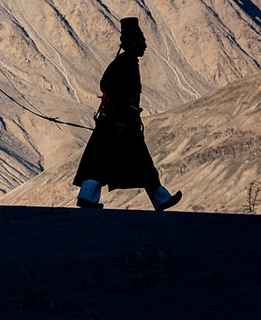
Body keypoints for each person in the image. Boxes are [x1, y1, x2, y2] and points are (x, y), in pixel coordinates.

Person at [72, 16, 181, 211]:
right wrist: (122, 115)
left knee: (99, 162)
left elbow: (106, 85)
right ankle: (160, 199)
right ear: (132, 42)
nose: (145, 45)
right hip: (120, 124)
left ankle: (87, 197)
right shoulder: (125, 64)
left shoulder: (123, 62)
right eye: (141, 41)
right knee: (139, 163)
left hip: (114, 123)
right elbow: (111, 89)